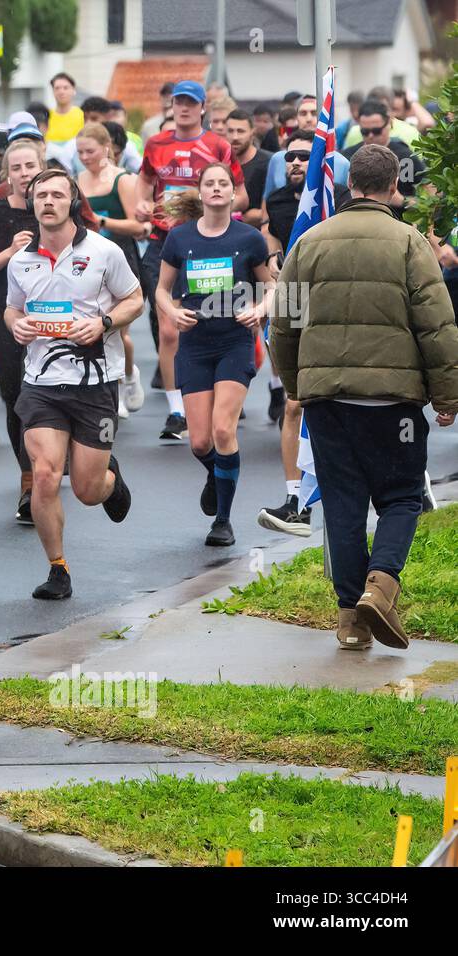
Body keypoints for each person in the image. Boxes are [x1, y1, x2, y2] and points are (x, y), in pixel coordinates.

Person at [269, 144, 458, 652]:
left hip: (328, 401)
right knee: (400, 498)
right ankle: (383, 584)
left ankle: (351, 619)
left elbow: (283, 321)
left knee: (344, 503)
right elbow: (437, 328)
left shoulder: (308, 242)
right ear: (394, 187)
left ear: (349, 184)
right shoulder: (410, 244)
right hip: (393, 401)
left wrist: (294, 384)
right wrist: (448, 397)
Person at [5, 169, 140, 600]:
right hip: (41, 382)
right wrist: (17, 326)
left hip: (95, 383)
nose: (48, 201)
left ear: (72, 201)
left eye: (57, 194)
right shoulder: (20, 260)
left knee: (85, 489)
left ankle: (109, 480)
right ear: (32, 204)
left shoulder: (103, 252)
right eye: (40, 195)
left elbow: (134, 300)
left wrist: (102, 323)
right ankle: (57, 568)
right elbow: (10, 309)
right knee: (44, 475)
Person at [155, 167, 274, 546]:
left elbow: (272, 284)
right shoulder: (180, 237)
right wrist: (173, 314)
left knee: (224, 429)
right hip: (194, 344)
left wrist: (260, 310)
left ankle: (222, 520)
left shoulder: (249, 238)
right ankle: (217, 471)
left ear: (233, 192)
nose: (218, 189)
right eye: (211, 184)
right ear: (201, 192)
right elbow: (160, 290)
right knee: (201, 442)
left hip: (235, 341)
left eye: (224, 183)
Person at [135, 80, 246, 442]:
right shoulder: (156, 143)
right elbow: (144, 180)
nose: (183, 108)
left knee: (206, 320)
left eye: (190, 103)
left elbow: (241, 195)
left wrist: (207, 206)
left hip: (206, 242)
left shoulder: (217, 145)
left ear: (202, 108)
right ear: (172, 106)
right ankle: (176, 410)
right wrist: (141, 203)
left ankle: (215, 392)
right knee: (168, 328)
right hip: (163, 240)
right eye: (178, 102)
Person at [256, 130, 350, 536]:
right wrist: (274, 263)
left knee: (350, 404)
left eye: (304, 157)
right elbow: (271, 241)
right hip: (294, 302)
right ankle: (296, 500)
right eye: (290, 157)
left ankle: (408, 483)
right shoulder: (276, 200)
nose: (297, 163)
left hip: (337, 308)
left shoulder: (338, 195)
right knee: (295, 405)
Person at [0, 138, 45, 522]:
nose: (23, 173)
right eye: (15, 168)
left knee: (54, 388)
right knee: (16, 393)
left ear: (41, 166)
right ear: (7, 174)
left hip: (55, 312)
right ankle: (28, 479)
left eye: (30, 165)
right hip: (5, 310)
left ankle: (57, 456)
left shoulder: (56, 204)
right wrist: (9, 253)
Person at [75, 123, 149, 420]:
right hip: (88, 262)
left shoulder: (123, 180)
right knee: (96, 329)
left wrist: (100, 221)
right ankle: (108, 388)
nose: (84, 157)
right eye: (79, 152)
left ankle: (127, 375)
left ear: (107, 148)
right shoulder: (77, 179)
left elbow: (138, 226)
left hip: (120, 257)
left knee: (117, 330)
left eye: (90, 151)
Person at [343, 100, 427, 214]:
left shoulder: (406, 157)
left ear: (389, 124)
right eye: (365, 131)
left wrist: (402, 201)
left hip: (398, 225)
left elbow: (430, 201)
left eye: (376, 131)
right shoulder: (347, 157)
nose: (371, 136)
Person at [263, 95, 349, 198]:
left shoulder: (341, 163)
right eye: (303, 113)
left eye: (314, 113)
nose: (308, 119)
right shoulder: (278, 159)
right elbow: (267, 203)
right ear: (296, 119)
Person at [224, 110, 272, 228]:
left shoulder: (268, 163)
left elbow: (278, 208)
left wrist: (257, 215)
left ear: (252, 132)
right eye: (230, 131)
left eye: (240, 131)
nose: (235, 137)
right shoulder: (218, 164)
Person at [46, 73, 84, 144]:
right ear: (53, 91)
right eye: (57, 88)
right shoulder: (46, 116)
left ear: (73, 90)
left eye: (65, 88)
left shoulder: (82, 115)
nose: (61, 92)